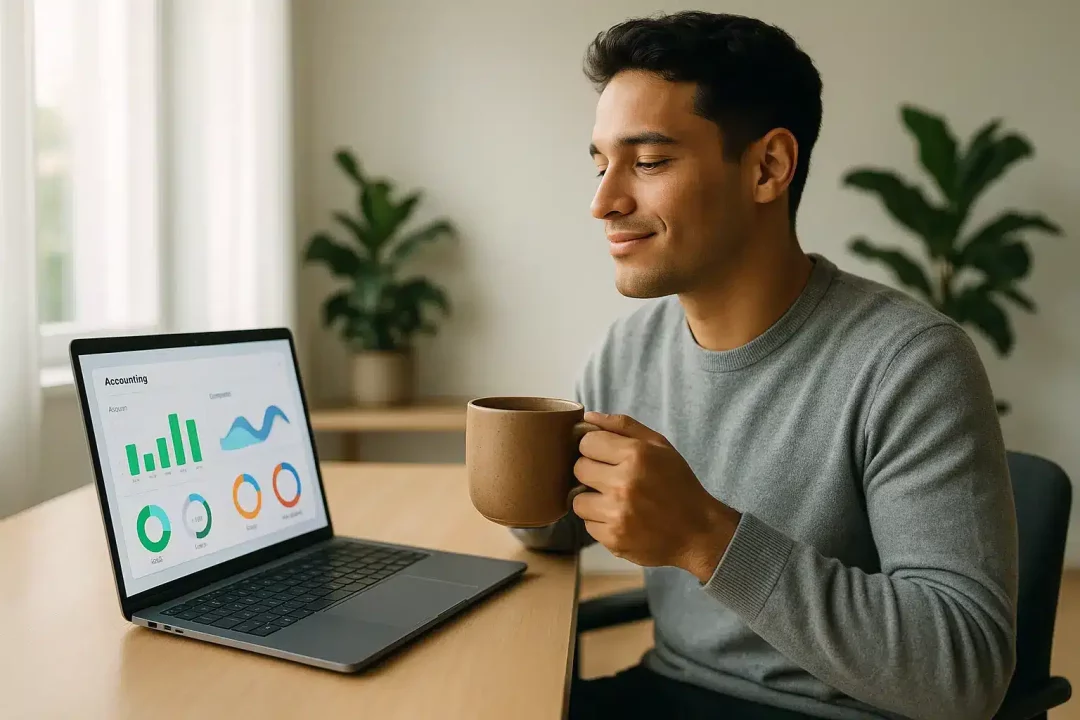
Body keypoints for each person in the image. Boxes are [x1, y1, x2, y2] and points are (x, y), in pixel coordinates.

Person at [511, 11, 1018, 720]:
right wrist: (527, 483)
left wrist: (704, 538)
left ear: (767, 167)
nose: (603, 201)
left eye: (648, 162)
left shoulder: (910, 364)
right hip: (667, 690)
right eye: (600, 163)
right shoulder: (626, 352)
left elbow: (966, 670)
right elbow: (559, 529)